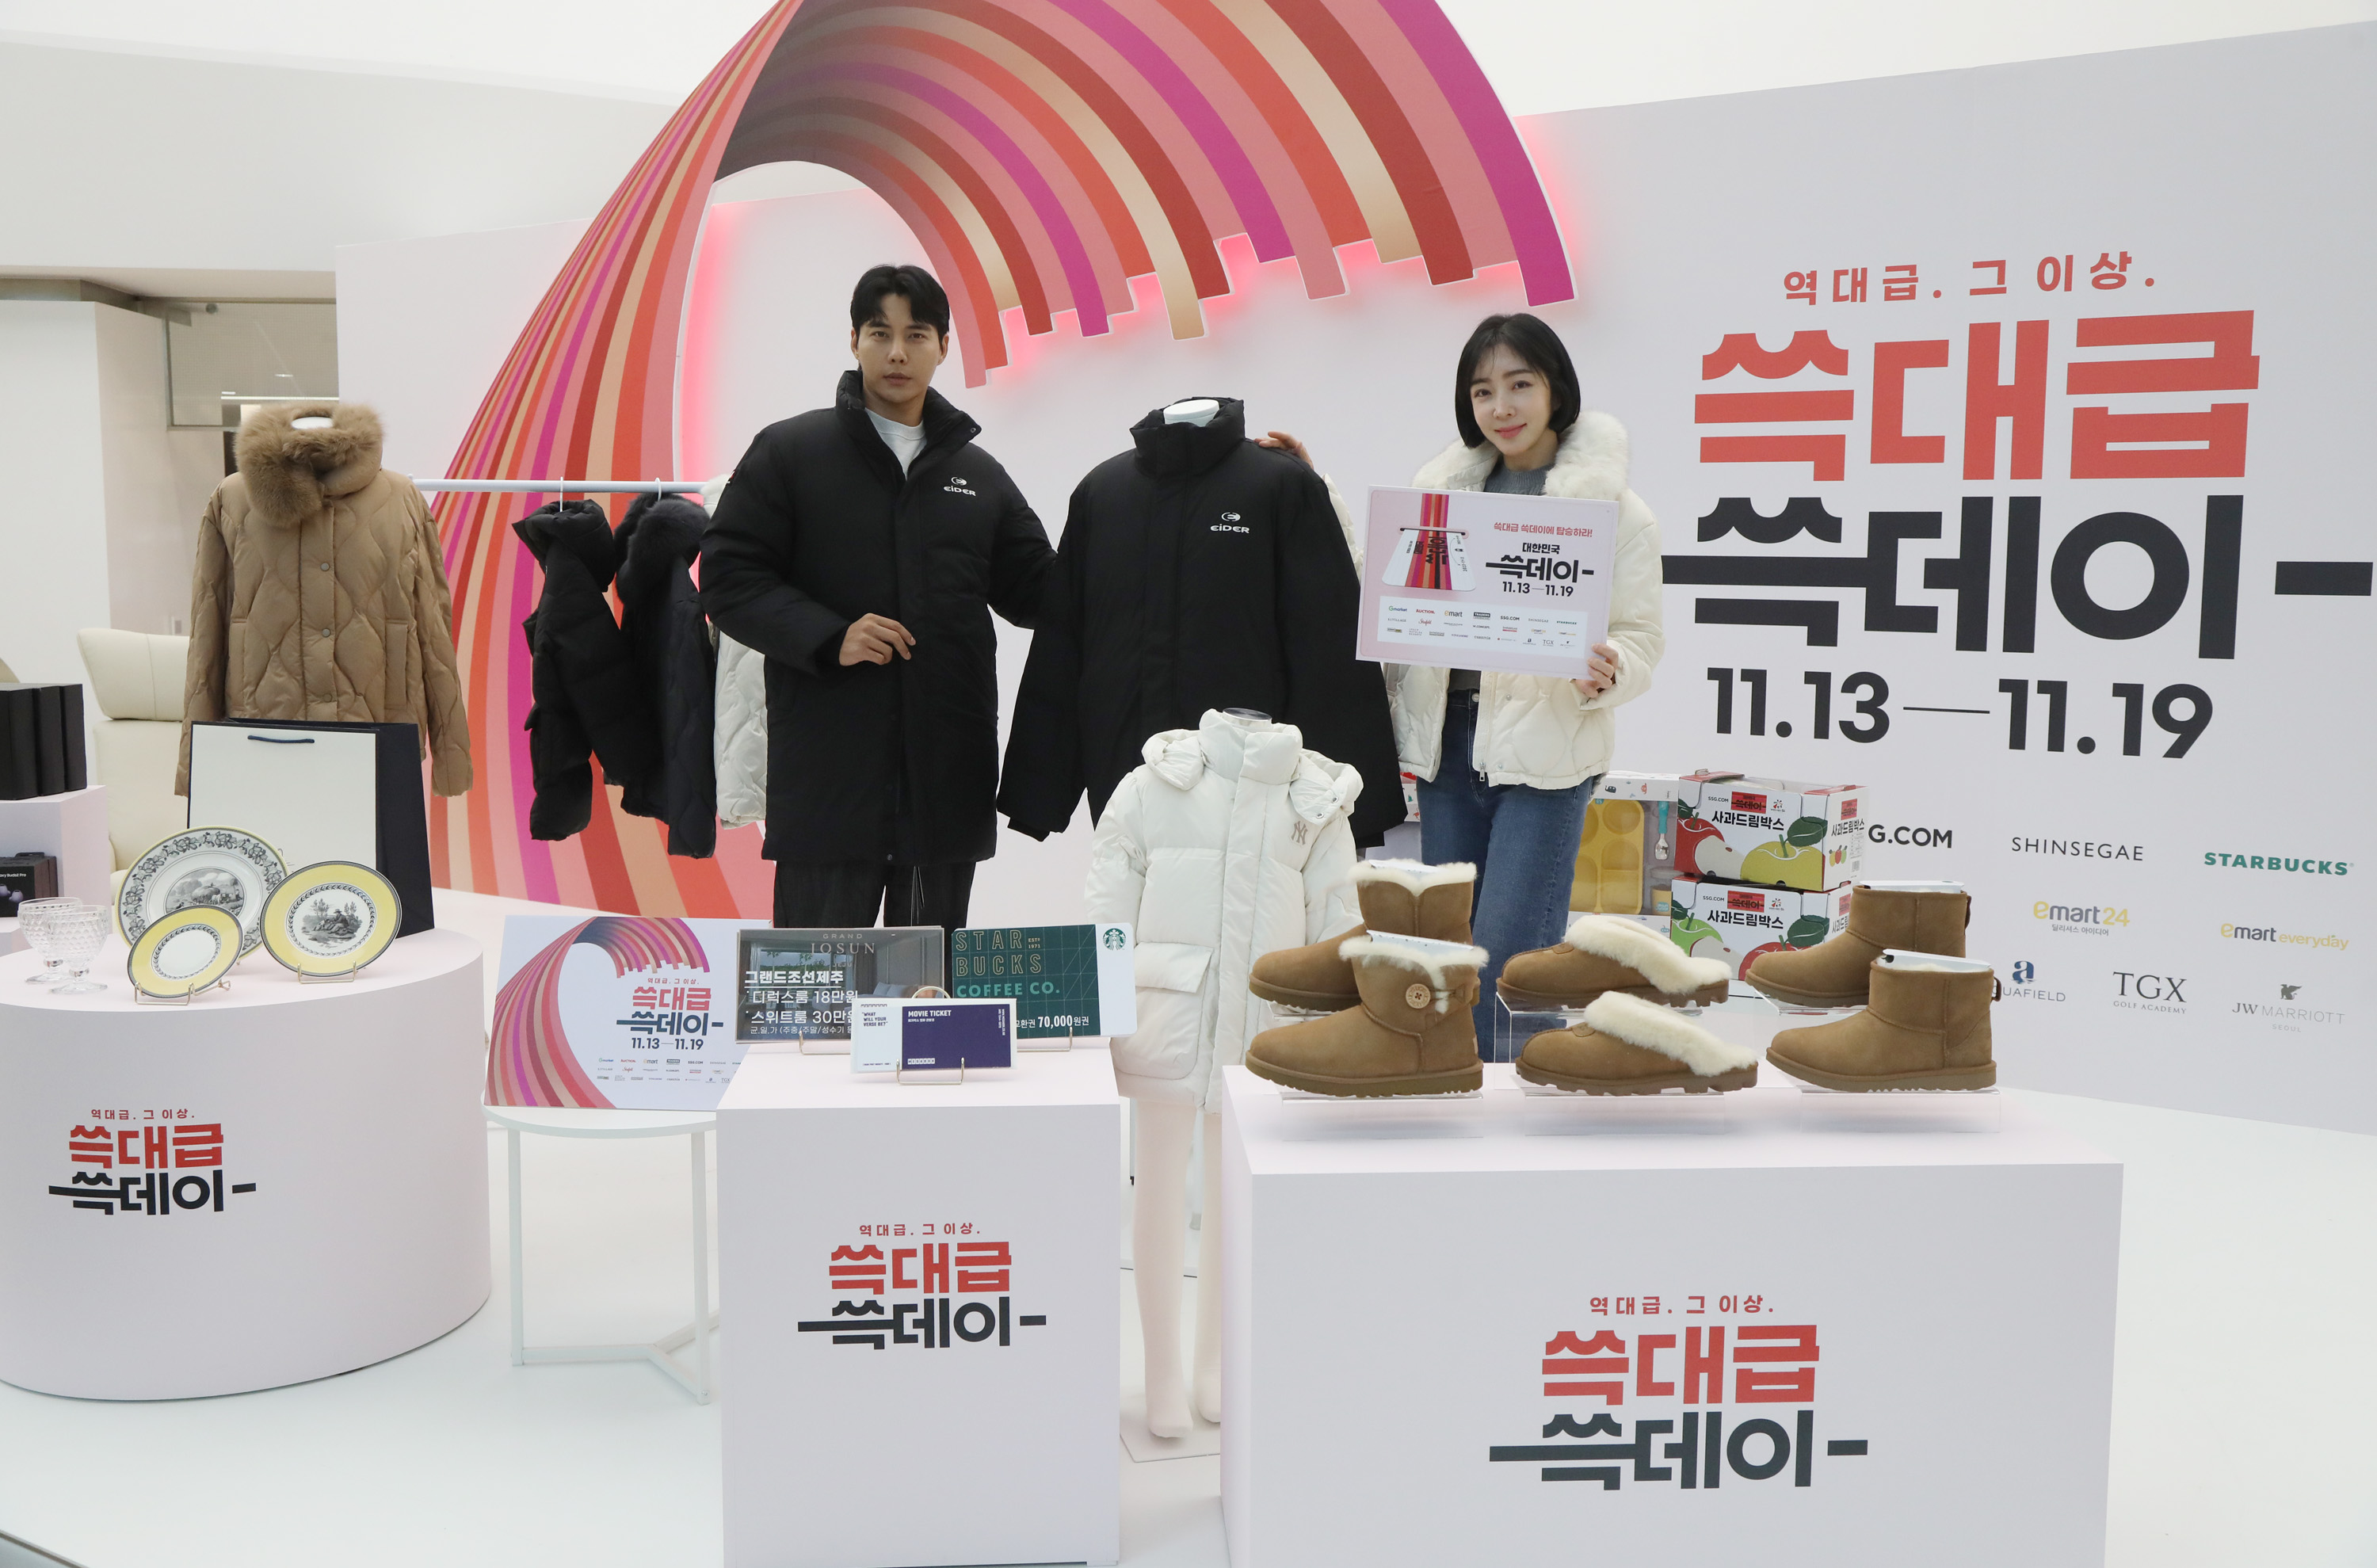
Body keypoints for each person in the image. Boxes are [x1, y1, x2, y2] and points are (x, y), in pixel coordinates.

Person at [1261, 312, 1665, 1052]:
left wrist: (1612, 668)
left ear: (1556, 388)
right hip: (1449, 751)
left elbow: (1641, 638)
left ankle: (1518, 1097)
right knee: (1446, 953)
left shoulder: (1612, 512)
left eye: (1519, 385)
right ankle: (1455, 1090)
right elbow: (1383, 590)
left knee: (1512, 960)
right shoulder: (1441, 497)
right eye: (1482, 391)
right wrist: (1312, 491)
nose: (1501, 407)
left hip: (1545, 759)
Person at [700, 265, 1057, 937]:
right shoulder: (791, 452)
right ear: (854, 341)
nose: (897, 353)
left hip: (943, 792)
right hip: (830, 787)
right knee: (817, 992)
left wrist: (1139, 515)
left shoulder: (979, 477)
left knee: (929, 993)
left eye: (916, 335)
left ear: (943, 346)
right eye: (880, 333)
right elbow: (729, 578)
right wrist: (830, 636)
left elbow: (1043, 593)